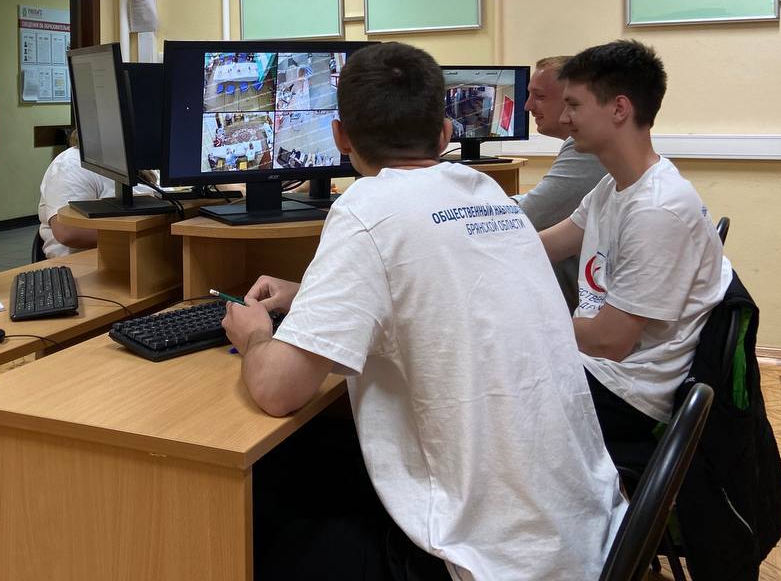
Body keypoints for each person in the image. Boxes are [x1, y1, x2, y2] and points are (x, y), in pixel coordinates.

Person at [222, 42, 624, 581]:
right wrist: (315, 294)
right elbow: (432, 283)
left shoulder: (366, 208)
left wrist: (254, 334)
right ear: (445, 134)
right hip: (588, 535)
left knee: (258, 502)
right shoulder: (486, 194)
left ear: (340, 137)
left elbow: (278, 390)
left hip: (488, 562)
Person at [538, 40, 731, 472]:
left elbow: (609, 341)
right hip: (602, 368)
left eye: (573, 105)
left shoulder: (657, 209)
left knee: (475, 394)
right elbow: (548, 245)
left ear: (619, 109)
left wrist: (528, 321)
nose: (564, 118)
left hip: (626, 392)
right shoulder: (614, 187)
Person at [514, 54, 608, 310]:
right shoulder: (606, 190)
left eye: (539, 96)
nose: (527, 106)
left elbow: (532, 216)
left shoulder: (587, 151)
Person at [36, 130, 154, 258]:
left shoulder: (132, 160)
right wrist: (148, 234)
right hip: (83, 260)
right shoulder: (72, 163)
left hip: (138, 254)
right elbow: (68, 232)